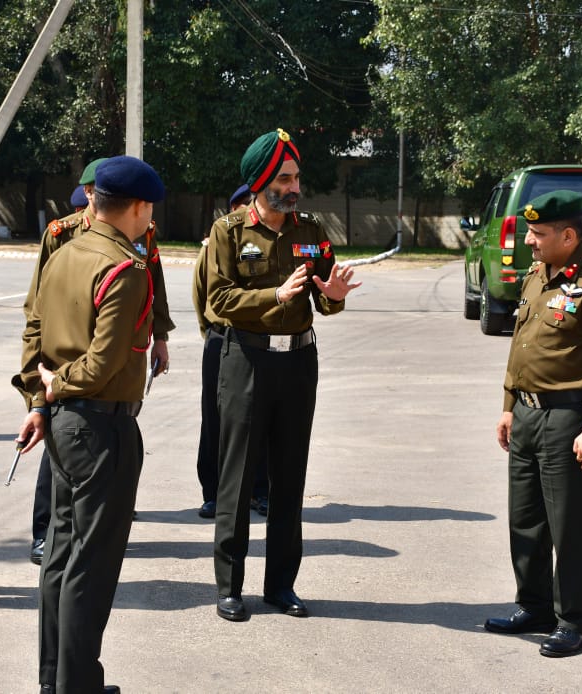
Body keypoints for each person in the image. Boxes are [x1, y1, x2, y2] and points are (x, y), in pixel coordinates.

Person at [13, 155, 164, 694]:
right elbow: (100, 365)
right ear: (140, 207)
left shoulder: (62, 253)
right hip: (100, 427)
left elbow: (34, 332)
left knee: (59, 556)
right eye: (151, 212)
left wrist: (39, 397)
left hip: (61, 424)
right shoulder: (126, 268)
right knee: (91, 567)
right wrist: (56, 386)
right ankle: (77, 686)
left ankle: (55, 680)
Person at [206, 128, 361, 622]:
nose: (295, 188)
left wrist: (333, 294)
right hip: (247, 360)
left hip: (297, 362)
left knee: (289, 477)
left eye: (297, 178)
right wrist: (273, 296)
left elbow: (324, 302)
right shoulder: (228, 232)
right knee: (238, 476)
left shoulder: (310, 230)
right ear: (260, 182)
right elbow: (218, 301)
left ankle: (281, 586)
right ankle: (230, 586)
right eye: (285, 179)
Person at [484, 190, 582, 657]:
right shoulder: (536, 275)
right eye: (530, 231)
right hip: (526, 414)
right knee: (525, 520)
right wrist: (509, 404)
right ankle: (535, 605)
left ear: (568, 236)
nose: (529, 240)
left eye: (539, 233)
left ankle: (575, 620)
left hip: (570, 420)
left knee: (570, 525)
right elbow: (521, 344)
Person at [23, 159, 175, 565]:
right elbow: (38, 315)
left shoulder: (139, 242)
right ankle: (44, 534)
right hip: (86, 399)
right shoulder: (63, 238)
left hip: (90, 392)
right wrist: (44, 391)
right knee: (84, 553)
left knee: (68, 553)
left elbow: (153, 285)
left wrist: (159, 335)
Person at [191, 184, 269, 520]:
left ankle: (260, 491)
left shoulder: (271, 245)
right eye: (241, 207)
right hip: (223, 340)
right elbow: (200, 294)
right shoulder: (214, 246)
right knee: (216, 420)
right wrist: (212, 333)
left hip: (262, 343)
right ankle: (214, 493)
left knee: (263, 419)